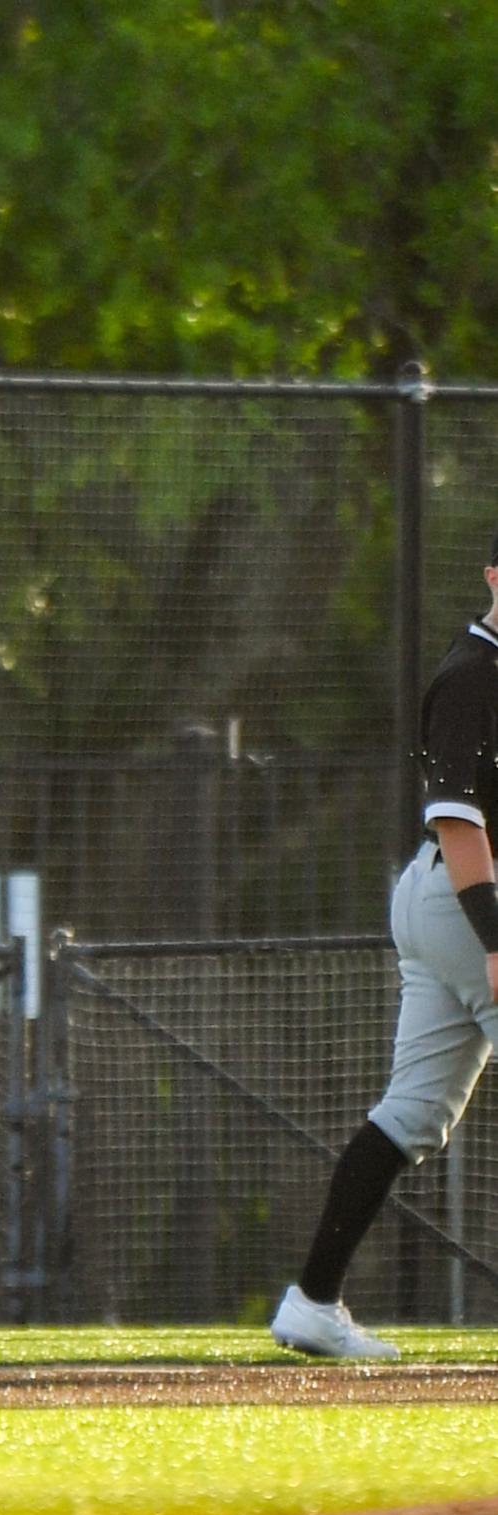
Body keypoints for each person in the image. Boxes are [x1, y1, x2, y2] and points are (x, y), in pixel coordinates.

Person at [274, 553, 498, 1360]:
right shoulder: (475, 672)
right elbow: (460, 821)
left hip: (439, 900)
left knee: (408, 1115)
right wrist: (496, 939)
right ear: (495, 576)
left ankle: (312, 1302)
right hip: (468, 899)